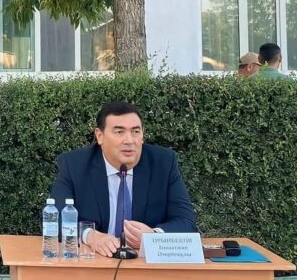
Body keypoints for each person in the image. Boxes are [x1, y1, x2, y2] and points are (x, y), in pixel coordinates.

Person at [51, 101, 197, 257]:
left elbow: (186, 221)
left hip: (143, 263)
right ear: (100, 136)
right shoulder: (74, 165)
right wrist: (90, 236)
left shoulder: (163, 163)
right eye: (119, 132)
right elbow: (55, 218)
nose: (129, 140)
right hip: (96, 260)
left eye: (135, 131)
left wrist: (153, 236)